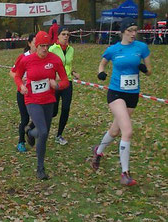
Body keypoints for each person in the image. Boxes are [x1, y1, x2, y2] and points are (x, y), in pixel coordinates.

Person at [92, 17, 151, 186]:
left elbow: (150, 71)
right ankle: (125, 173)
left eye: (135, 30)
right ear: (123, 32)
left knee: (115, 130)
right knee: (128, 131)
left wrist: (144, 69)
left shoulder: (142, 48)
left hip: (132, 95)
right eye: (130, 30)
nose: (133, 33)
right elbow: (102, 64)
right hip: (116, 93)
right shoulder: (113, 49)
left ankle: (99, 151)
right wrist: (101, 73)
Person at [14, 31, 69, 180]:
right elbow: (17, 76)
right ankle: (40, 168)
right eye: (41, 46)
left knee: (42, 133)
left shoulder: (55, 60)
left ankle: (30, 133)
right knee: (43, 132)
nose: (45, 49)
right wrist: (21, 87)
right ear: (35, 46)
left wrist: (57, 85)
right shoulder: (27, 60)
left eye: (47, 45)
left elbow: (65, 80)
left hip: (49, 100)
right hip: (32, 100)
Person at [49, 26, 80, 145]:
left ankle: (59, 135)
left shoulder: (71, 49)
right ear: (58, 36)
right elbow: (47, 64)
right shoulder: (52, 49)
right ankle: (35, 124)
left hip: (67, 82)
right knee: (53, 111)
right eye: (63, 34)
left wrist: (73, 72)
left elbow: (67, 65)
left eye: (67, 34)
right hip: (56, 83)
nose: (66, 36)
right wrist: (53, 75)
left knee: (66, 109)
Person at [10, 34, 36, 152]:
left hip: (37, 93)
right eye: (36, 43)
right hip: (23, 92)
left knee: (38, 117)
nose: (38, 46)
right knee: (25, 118)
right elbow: (12, 73)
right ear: (29, 44)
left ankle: (30, 131)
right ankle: (21, 142)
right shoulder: (23, 57)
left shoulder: (42, 57)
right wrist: (21, 80)